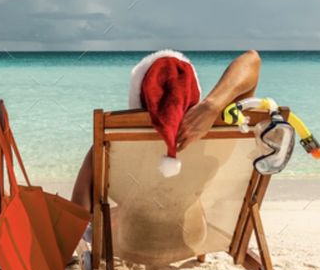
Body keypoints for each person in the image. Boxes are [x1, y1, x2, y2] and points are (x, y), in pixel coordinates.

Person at [70, 49, 261, 211]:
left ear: (137, 98)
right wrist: (212, 106)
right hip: (192, 239)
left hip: (129, 242)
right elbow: (252, 59)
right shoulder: (212, 141)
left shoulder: (109, 150)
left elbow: (79, 217)